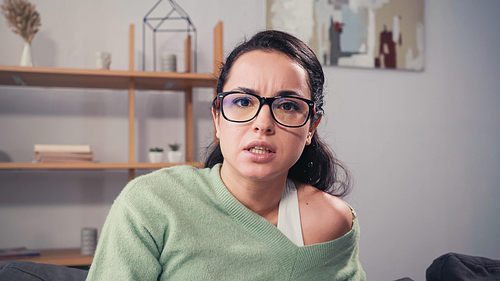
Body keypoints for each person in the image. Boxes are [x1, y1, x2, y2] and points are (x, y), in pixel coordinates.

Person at [86, 30, 365, 280]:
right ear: (217, 119)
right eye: (243, 101)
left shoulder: (331, 222)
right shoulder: (150, 204)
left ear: (311, 128)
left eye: (288, 105)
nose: (263, 124)